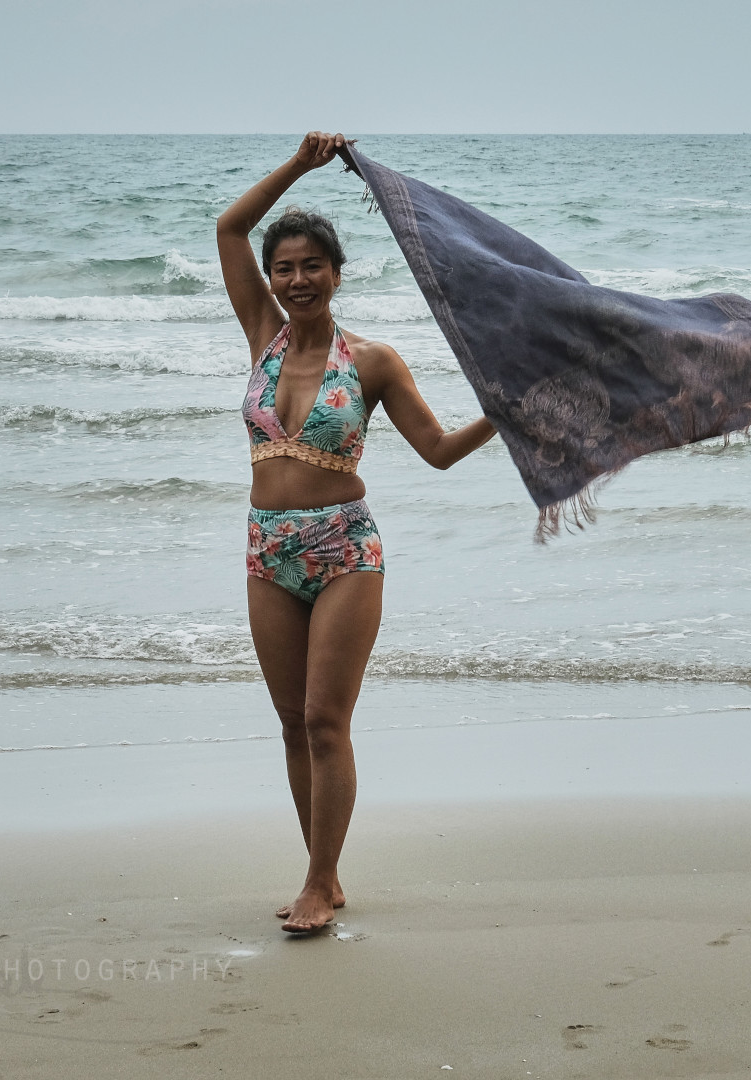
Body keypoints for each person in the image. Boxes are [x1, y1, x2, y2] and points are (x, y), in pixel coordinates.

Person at [216, 131, 496, 933]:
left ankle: (319, 880)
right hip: (267, 548)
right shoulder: (260, 338)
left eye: (313, 266)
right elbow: (230, 230)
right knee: (288, 725)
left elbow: (438, 452)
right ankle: (323, 876)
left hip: (346, 548)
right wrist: (301, 166)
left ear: (337, 274)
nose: (298, 280)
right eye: (286, 268)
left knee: (323, 720)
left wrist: (501, 419)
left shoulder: (371, 361)